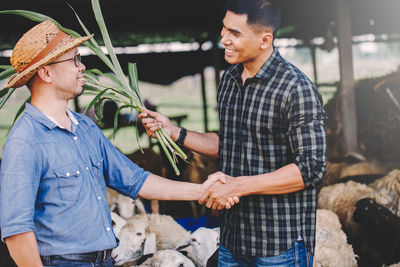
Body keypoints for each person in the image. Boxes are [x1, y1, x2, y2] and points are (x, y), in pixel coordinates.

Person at [0, 20, 238, 267]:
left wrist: (202, 190)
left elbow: (136, 180)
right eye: (74, 60)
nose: (82, 67)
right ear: (46, 73)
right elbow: (17, 233)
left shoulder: (85, 128)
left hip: (105, 260)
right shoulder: (26, 141)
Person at [139, 0, 327, 266]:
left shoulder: (296, 88)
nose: (224, 38)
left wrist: (239, 185)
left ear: (265, 40)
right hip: (232, 239)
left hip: (279, 244)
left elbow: (311, 169)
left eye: (235, 33)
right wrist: (174, 131)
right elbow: (227, 145)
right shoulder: (229, 80)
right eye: (224, 29)